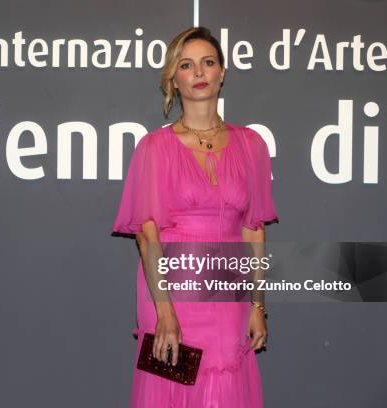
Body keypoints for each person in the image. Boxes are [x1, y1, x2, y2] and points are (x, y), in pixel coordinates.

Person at [112, 26, 279, 407]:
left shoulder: (251, 145)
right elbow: (147, 236)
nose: (199, 73)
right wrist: (163, 312)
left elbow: (254, 230)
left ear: (223, 72)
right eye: (187, 65)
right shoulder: (154, 148)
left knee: (227, 387)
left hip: (229, 292)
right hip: (171, 290)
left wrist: (257, 305)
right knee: (172, 389)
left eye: (208, 63)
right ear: (174, 78)